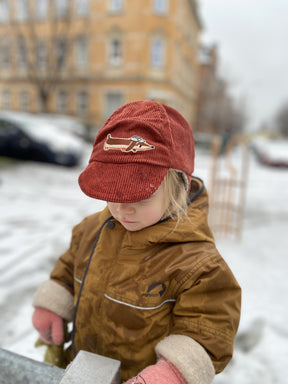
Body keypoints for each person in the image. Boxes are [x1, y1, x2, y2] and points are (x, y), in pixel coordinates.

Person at [32, 100, 241, 384]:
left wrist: (175, 371)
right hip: (83, 370)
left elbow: (208, 326)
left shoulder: (198, 263)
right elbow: (69, 267)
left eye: (140, 197)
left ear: (178, 186)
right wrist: (54, 301)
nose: (122, 209)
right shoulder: (91, 230)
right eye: (113, 193)